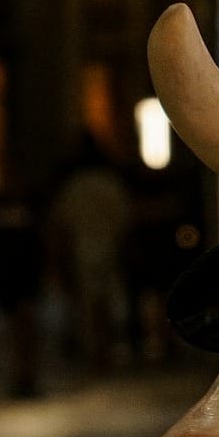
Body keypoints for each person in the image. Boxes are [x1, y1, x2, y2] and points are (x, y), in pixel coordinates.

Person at [49, 139, 133, 373]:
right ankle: (104, 350)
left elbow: (61, 223)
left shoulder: (74, 186)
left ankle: (97, 352)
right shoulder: (110, 184)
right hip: (108, 248)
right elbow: (124, 219)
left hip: (83, 248)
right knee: (105, 302)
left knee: (90, 303)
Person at [0, 168, 45, 398]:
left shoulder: (33, 203)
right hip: (6, 272)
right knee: (12, 326)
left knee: (27, 323)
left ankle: (27, 373)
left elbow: (44, 236)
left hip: (28, 271)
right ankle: (17, 373)